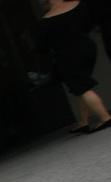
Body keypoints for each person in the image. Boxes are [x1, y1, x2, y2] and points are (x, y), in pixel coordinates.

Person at [39, 0, 111, 133]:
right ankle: (83, 121)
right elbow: (89, 24)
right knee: (79, 86)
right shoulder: (78, 5)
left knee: (81, 87)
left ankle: (105, 117)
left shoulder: (47, 19)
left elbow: (43, 45)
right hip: (87, 47)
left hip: (68, 54)